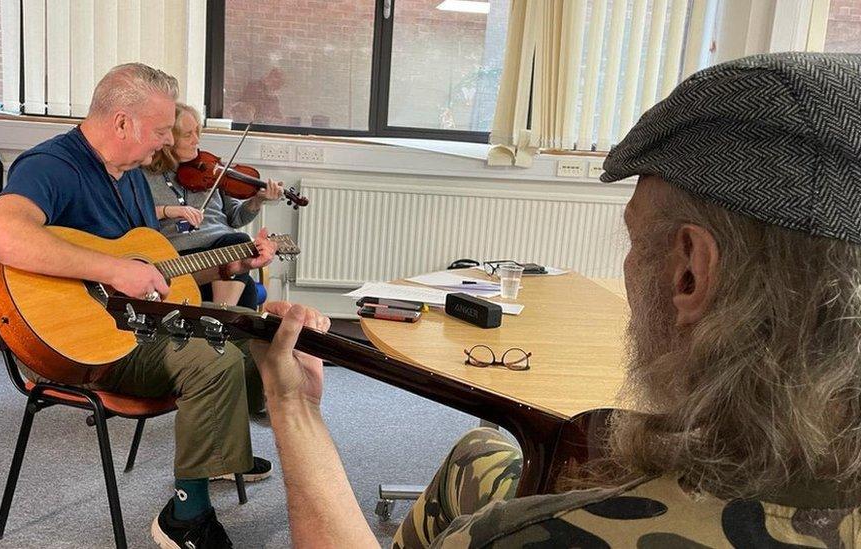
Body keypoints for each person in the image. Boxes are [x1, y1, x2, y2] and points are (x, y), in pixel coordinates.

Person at [248, 53, 861, 547]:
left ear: (690, 273)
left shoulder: (531, 538)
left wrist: (293, 405)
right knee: (484, 451)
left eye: (634, 239)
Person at [0, 63, 277, 548]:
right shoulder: (50, 165)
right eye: (160, 130)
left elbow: (156, 270)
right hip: (76, 343)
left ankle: (215, 454)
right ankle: (188, 516)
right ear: (121, 122)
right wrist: (111, 270)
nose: (166, 142)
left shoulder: (134, 176)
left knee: (255, 328)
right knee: (212, 358)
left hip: (137, 325)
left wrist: (230, 268)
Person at [144, 102, 284, 310]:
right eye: (188, 135)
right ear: (167, 139)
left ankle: (218, 319)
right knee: (242, 282)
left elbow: (235, 218)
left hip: (225, 247)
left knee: (238, 244)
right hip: (184, 259)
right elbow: (136, 216)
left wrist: (257, 200)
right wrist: (170, 210)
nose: (196, 141)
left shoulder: (211, 171)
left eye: (197, 132)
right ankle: (224, 322)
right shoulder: (144, 175)